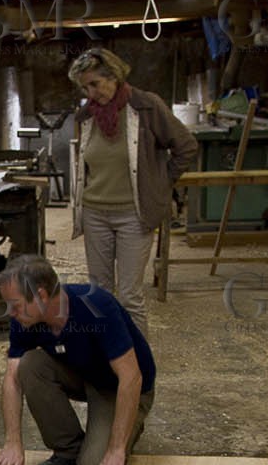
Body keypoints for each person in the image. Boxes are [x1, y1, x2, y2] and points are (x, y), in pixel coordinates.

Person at [0, 255, 156, 465]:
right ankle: (67, 450)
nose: (11, 312)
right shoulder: (25, 318)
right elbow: (12, 379)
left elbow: (131, 378)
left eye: (15, 305)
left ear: (42, 295)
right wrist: (13, 442)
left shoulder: (96, 305)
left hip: (122, 387)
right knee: (30, 365)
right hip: (83, 373)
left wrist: (116, 449)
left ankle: (129, 428)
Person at [68, 47, 198, 337]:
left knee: (129, 296)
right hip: (95, 214)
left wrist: (161, 183)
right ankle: (104, 358)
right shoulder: (87, 116)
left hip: (133, 215)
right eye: (84, 87)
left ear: (113, 76)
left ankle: (138, 366)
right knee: (98, 294)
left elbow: (186, 146)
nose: (90, 93)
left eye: (94, 84)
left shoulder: (146, 107)